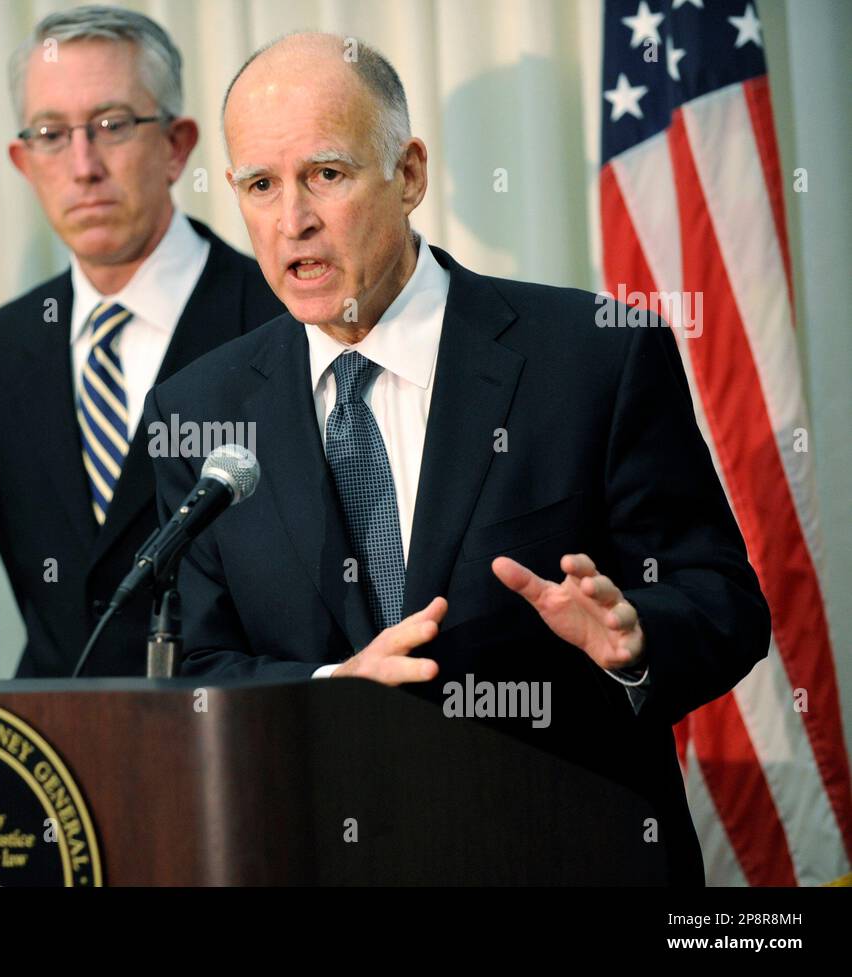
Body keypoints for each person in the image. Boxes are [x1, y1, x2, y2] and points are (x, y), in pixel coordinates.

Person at [143, 33, 771, 884]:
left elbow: (723, 601)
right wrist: (333, 686)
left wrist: (633, 638)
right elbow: (200, 666)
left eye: (326, 174)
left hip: (565, 852)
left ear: (408, 174)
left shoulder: (590, 356)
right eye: (261, 185)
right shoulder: (201, 408)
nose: (293, 220)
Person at [0, 5, 284, 678]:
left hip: (235, 736)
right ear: (23, 161)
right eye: (51, 133)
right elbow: (47, 603)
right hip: (58, 751)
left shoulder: (278, 320)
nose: (83, 165)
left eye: (112, 125)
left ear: (176, 145)